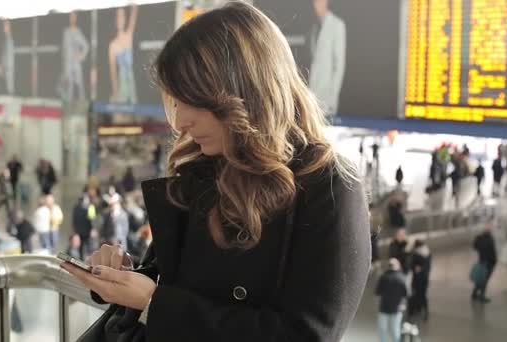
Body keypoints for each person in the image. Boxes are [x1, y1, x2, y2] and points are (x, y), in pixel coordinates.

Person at [61, 3, 370, 341]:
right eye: (177, 102)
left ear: (246, 91)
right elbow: (179, 280)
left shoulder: (330, 186)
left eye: (194, 100)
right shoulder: (206, 167)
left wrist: (155, 303)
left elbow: (306, 334)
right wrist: (127, 276)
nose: (181, 122)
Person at [308, 0, 346, 115]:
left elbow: (339, 66)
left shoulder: (337, 25)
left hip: (327, 96)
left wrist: (332, 98)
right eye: (314, 2)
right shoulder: (314, 27)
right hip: (312, 93)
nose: (317, 4)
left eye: (319, 1)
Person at [109, 4, 138, 104]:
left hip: (131, 82)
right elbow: (113, 71)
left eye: (122, 16)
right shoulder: (113, 45)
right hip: (122, 85)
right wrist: (115, 90)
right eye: (118, 16)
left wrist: (133, 5)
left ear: (125, 18)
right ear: (115, 20)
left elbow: (134, 15)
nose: (120, 19)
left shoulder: (129, 35)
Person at [375, 258, 408, 342]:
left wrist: (377, 303)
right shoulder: (402, 278)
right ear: (398, 266)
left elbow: (377, 293)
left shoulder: (383, 277)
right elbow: (406, 294)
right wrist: (403, 304)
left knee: (382, 329)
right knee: (395, 330)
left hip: (384, 307)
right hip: (397, 308)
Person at [60, 11, 89, 101]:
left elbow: (86, 45)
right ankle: (68, 109)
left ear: (76, 18)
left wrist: (81, 56)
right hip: (68, 64)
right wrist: (64, 66)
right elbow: (64, 49)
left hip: (76, 63)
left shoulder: (78, 32)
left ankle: (82, 107)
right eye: (70, 17)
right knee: (69, 87)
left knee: (80, 86)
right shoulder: (66, 32)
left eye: (74, 17)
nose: (72, 18)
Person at [472, 222, 497, 303]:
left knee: (481, 277)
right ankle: (482, 296)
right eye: (490, 227)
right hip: (489, 262)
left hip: (482, 260)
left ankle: (474, 293)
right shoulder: (489, 238)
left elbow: (475, 247)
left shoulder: (479, 238)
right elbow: (492, 251)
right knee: (484, 279)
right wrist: (494, 260)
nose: (491, 229)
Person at [409, 239, 431, 320]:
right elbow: (428, 267)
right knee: (423, 295)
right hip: (424, 278)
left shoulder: (415, 254)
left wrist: (418, 268)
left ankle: (415, 310)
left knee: (416, 293)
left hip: (417, 278)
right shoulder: (428, 253)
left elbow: (411, 265)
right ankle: (424, 310)